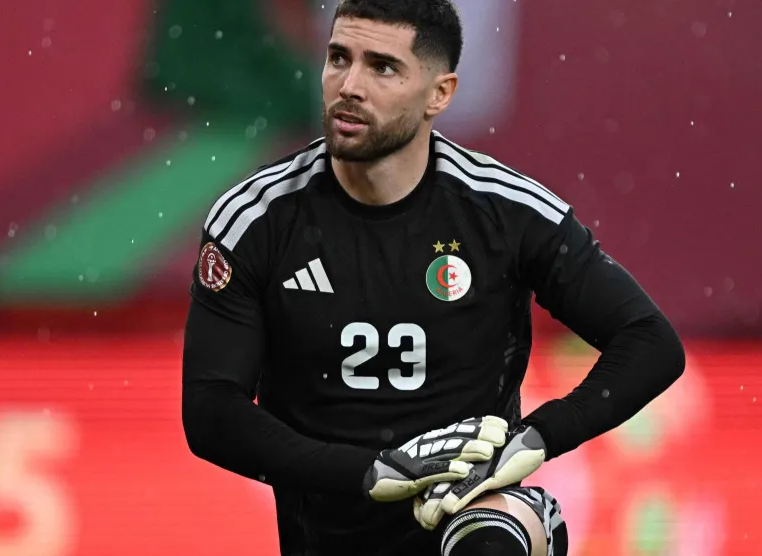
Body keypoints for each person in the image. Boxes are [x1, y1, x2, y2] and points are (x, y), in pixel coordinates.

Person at [181, 1, 686, 554]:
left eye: (383, 67)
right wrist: (374, 472)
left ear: (439, 94)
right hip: (328, 530)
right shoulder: (255, 220)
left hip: (472, 510)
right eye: (338, 58)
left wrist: (536, 439)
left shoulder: (505, 211)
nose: (349, 85)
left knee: (488, 543)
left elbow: (650, 342)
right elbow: (211, 410)